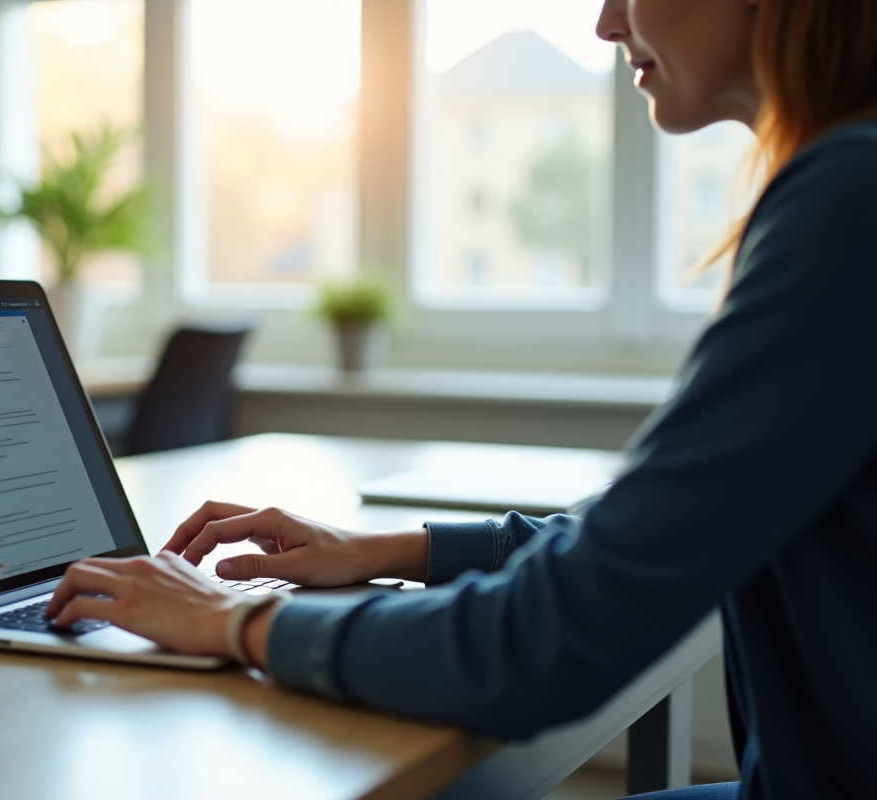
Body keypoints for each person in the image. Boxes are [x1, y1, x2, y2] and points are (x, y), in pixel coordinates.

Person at [45, 0, 877, 796]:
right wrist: (377, 550)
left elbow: (548, 641)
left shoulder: (848, 199)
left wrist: (233, 623)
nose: (605, 22)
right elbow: (635, 538)